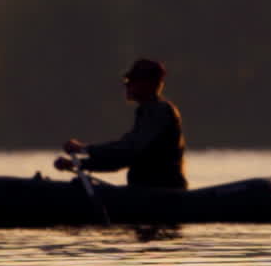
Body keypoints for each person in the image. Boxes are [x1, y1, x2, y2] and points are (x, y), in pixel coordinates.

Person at [55, 57, 187, 190]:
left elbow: (128, 151)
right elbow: (120, 159)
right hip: (145, 191)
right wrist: (77, 163)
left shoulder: (160, 112)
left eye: (130, 81)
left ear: (147, 84)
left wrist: (83, 149)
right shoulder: (147, 112)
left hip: (161, 194)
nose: (126, 85)